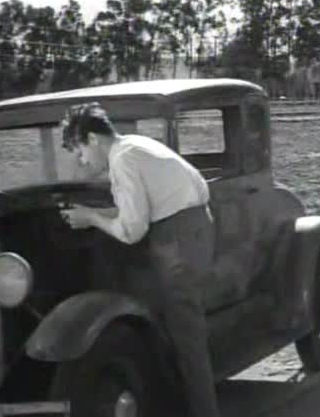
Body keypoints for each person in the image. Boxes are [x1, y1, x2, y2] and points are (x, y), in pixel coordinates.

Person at [59, 102, 221, 417]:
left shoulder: (122, 160)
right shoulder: (136, 145)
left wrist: (91, 217)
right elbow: (140, 211)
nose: (82, 162)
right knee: (174, 323)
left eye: (80, 152)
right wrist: (97, 215)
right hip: (191, 229)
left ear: (92, 139)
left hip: (177, 241)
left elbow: (132, 231)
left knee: (185, 335)